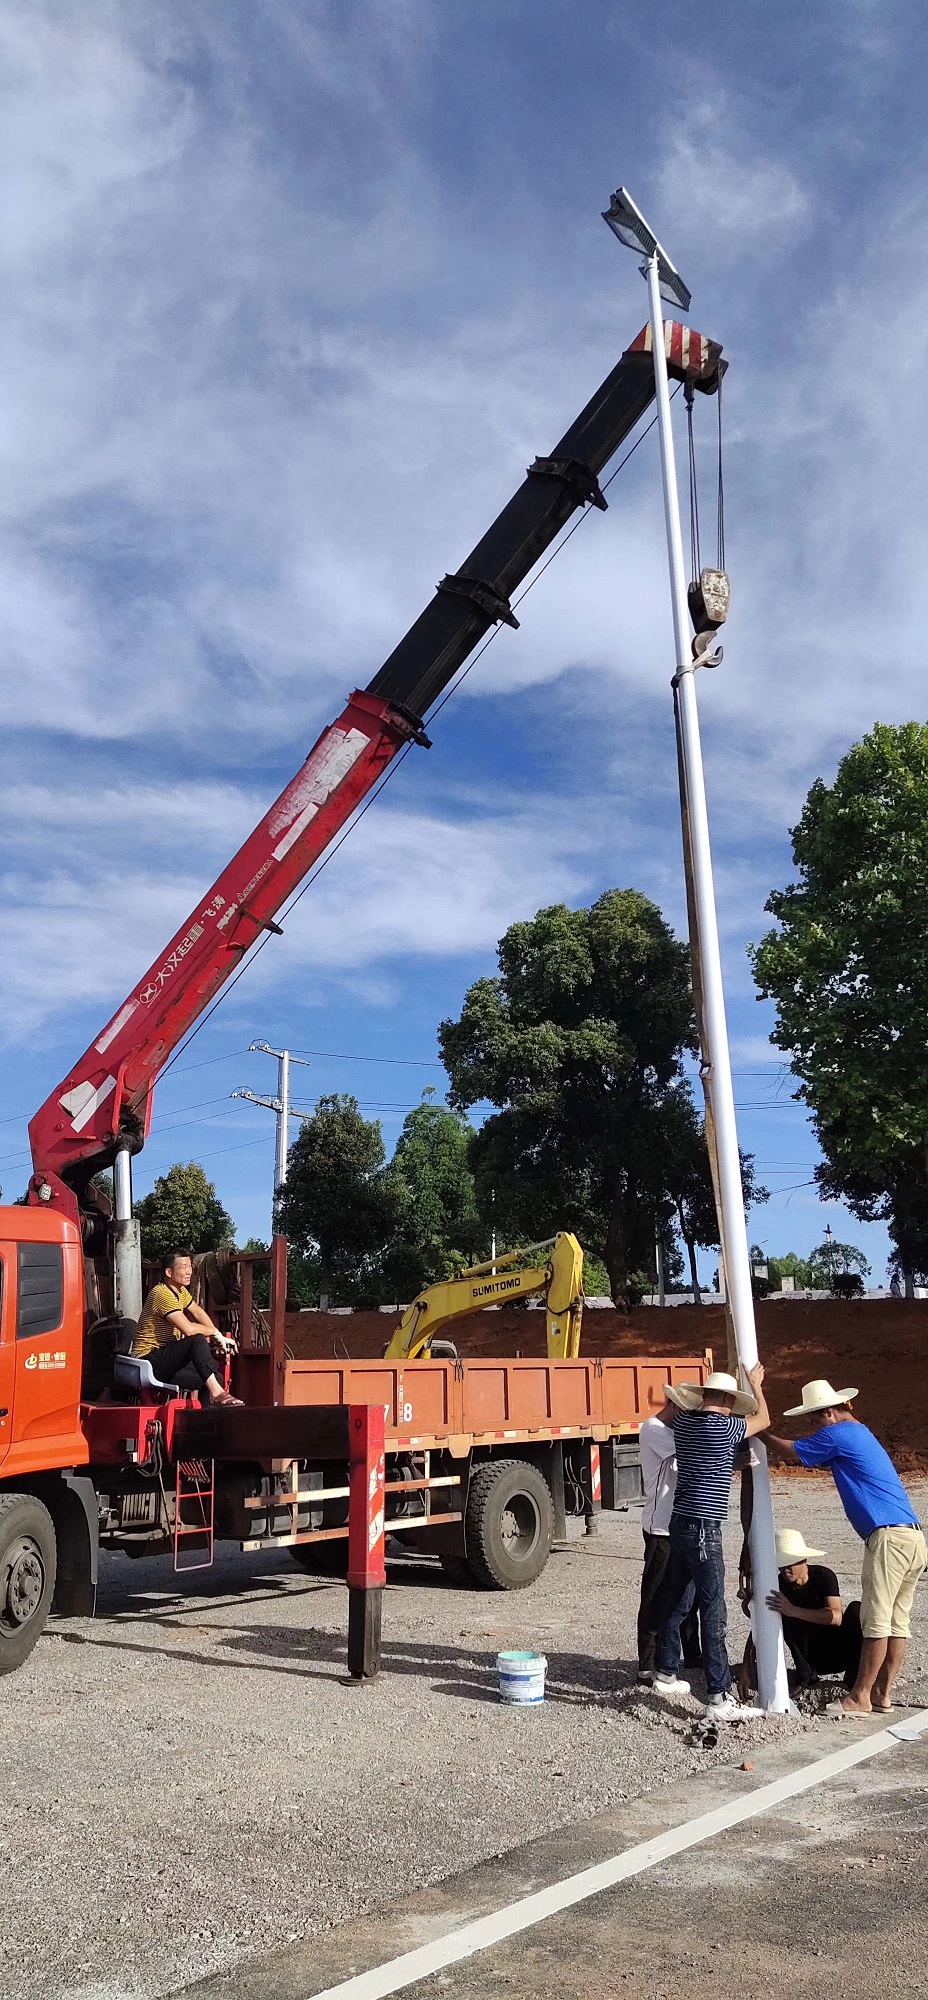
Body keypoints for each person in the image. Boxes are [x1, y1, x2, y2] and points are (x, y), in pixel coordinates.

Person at [766, 1379, 926, 1716]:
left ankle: (860, 1696)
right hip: (911, 1536)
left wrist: (760, 1432)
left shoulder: (839, 1434)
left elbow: (791, 1451)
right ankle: (882, 1693)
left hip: (887, 1537)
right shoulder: (859, 1433)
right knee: (898, 1621)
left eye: (814, 1418)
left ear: (828, 1411)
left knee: (877, 1621)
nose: (814, 1426)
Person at [653, 1363, 769, 1719]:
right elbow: (764, 1419)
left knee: (678, 1599)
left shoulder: (685, 1423)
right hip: (705, 1528)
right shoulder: (723, 1426)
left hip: (680, 1521)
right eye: (732, 1400)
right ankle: (718, 1696)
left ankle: (666, 1670)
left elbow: (706, 1453)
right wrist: (757, 1385)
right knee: (712, 1610)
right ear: (724, 1399)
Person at [636, 1392, 701, 1683]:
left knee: (690, 1593)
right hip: (661, 1528)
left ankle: (691, 1654)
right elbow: (693, 1450)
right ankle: (647, 1665)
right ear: (672, 1406)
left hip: (682, 1524)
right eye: (686, 1412)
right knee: (656, 1595)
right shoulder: (653, 1429)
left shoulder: (673, 1430)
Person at [133, 1249, 241, 1405]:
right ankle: (218, 1393)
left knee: (213, 1376)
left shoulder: (181, 1292)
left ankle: (206, 1421)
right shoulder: (161, 1293)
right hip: (148, 1360)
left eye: (190, 1266)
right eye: (183, 1267)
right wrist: (215, 1332)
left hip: (165, 1360)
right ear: (169, 1272)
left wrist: (218, 1337)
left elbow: (198, 1312)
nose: (189, 1271)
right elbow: (188, 1329)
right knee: (196, 1340)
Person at [765, 1529, 862, 1690]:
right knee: (781, 1613)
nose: (785, 1569)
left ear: (802, 1559)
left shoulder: (823, 1576)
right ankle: (806, 1677)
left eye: (789, 1563)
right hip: (809, 1654)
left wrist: (793, 1610)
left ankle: (854, 1677)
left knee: (856, 1610)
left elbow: (836, 1617)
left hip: (838, 1648)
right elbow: (762, 1621)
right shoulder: (779, 1584)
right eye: (780, 1565)